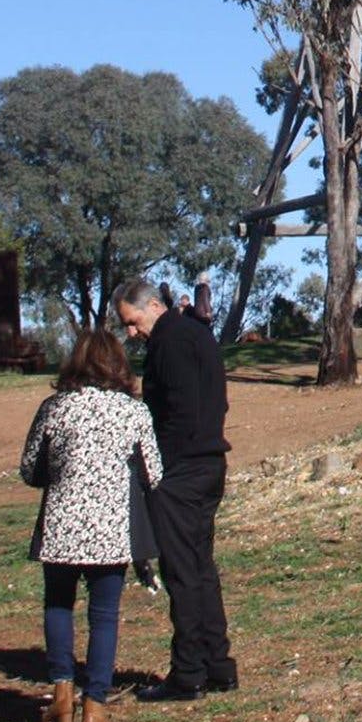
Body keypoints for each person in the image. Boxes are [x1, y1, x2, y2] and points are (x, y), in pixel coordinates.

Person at [20, 328, 164, 722]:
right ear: (119, 365)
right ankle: (95, 707)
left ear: (75, 363)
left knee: (58, 605)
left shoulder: (55, 407)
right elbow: (154, 473)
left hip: (62, 525)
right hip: (111, 528)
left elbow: (30, 469)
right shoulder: (132, 412)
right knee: (103, 616)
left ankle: (61, 696)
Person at [112, 279, 238, 700]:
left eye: (132, 322)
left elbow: (174, 414)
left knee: (182, 573)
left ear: (152, 305)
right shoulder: (198, 333)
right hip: (210, 464)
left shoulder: (169, 342)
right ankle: (218, 665)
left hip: (180, 471)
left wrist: (156, 468)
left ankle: (188, 674)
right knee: (201, 568)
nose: (131, 333)